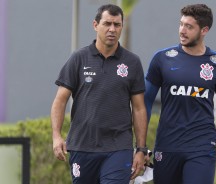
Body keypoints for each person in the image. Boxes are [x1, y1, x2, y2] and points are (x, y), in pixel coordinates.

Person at [51, 4, 148, 184]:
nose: (112, 29)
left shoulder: (132, 62)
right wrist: (56, 136)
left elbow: (139, 108)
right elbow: (60, 100)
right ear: (95, 25)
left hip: (118, 148)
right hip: (82, 146)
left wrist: (141, 149)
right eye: (107, 24)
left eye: (117, 25)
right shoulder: (78, 58)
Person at [144, 4, 216, 184]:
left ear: (204, 30)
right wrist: (140, 144)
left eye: (189, 26)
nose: (182, 30)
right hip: (167, 145)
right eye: (181, 24)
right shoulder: (162, 59)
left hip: (202, 146)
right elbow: (145, 102)